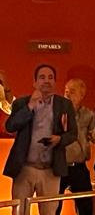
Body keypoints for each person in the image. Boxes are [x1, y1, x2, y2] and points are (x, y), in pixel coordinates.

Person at [3, 64, 78, 215]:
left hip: (51, 170)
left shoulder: (64, 104)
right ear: (35, 82)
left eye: (50, 77)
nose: (46, 81)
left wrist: (59, 139)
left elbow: (72, 134)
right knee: (20, 212)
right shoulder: (22, 103)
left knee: (49, 212)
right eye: (42, 77)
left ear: (55, 82)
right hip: (24, 169)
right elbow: (10, 126)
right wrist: (30, 106)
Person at [56, 79, 95, 215]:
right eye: (66, 91)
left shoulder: (88, 115)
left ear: (82, 95)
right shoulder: (56, 112)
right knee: (53, 206)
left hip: (79, 167)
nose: (67, 94)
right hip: (58, 166)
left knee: (85, 207)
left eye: (72, 92)